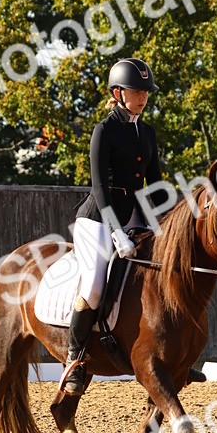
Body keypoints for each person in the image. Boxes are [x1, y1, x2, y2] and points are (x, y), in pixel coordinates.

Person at [61, 57, 162, 394]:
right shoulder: (104, 130)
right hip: (97, 219)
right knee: (92, 286)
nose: (142, 97)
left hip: (136, 216)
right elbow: (100, 187)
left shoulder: (147, 133)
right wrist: (117, 232)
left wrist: (161, 227)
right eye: (136, 91)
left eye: (145, 92)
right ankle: (75, 358)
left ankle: (171, 352)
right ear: (118, 93)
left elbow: (156, 185)